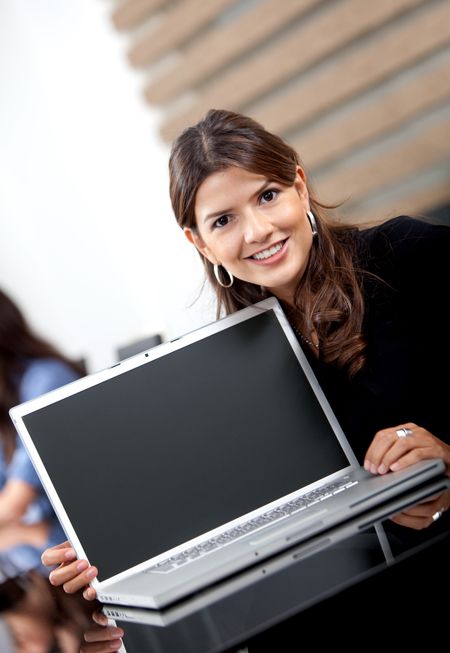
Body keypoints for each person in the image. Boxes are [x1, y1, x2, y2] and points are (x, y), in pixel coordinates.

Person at [41, 109, 450, 651]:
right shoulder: (233, 373)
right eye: (222, 220)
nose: (258, 231)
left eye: (267, 196)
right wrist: (120, 573)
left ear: (300, 187)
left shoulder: (407, 257)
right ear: (199, 243)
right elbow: (256, 535)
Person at [0, 287, 84, 576]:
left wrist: (28, 533)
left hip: (77, 551)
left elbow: (12, 505)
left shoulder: (46, 379)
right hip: (43, 557)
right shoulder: (5, 402)